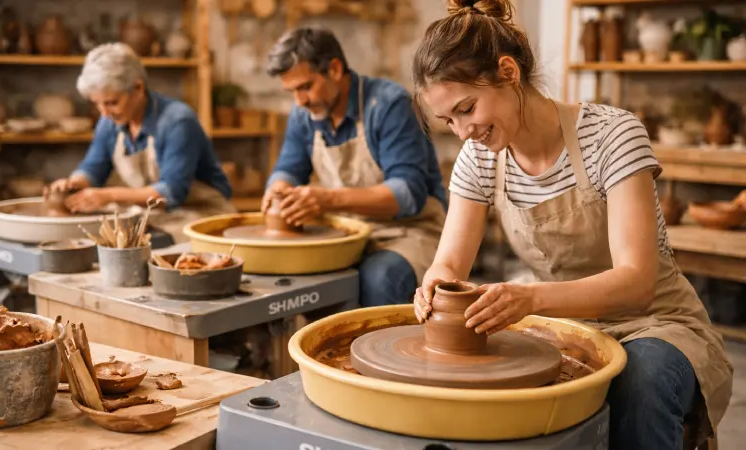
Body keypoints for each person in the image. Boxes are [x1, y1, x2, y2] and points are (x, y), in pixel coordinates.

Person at [411, 1, 733, 449]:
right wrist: (435, 287)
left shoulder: (612, 136)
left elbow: (636, 283)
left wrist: (528, 299)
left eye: (467, 108)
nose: (463, 131)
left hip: (657, 323)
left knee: (638, 379)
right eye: (449, 120)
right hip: (567, 326)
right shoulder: (480, 158)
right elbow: (448, 263)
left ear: (508, 72)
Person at [262, 28, 448, 307]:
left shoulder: (388, 105)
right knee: (300, 279)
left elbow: (407, 195)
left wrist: (329, 199)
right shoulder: (304, 115)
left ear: (335, 69)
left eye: (305, 87)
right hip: (348, 230)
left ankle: (378, 350)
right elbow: (288, 167)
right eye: (292, 92)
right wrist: (278, 189)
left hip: (409, 231)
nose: (299, 101)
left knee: (379, 277)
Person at [48, 43, 236, 243]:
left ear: (138, 88)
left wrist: (108, 195)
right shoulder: (109, 121)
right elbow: (94, 167)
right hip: (153, 214)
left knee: (128, 247)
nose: (104, 113)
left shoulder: (178, 121)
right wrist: (73, 183)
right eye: (97, 103)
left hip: (198, 212)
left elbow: (171, 193)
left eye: (112, 102)